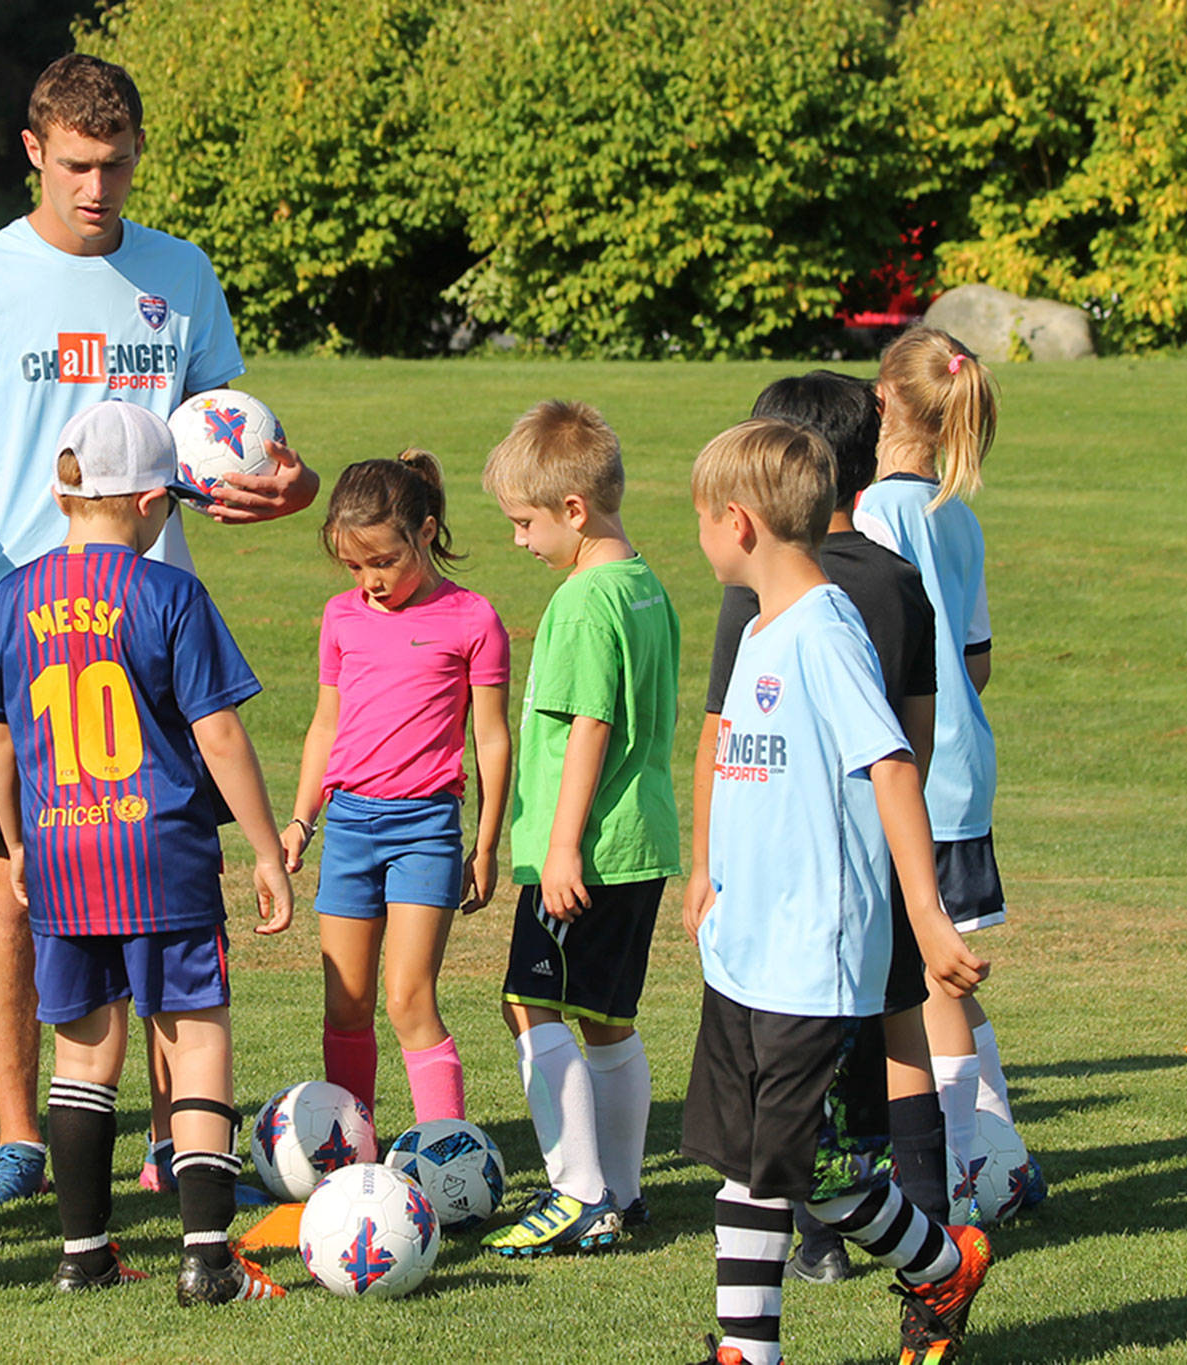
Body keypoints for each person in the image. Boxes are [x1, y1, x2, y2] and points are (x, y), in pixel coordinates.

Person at [0, 52, 318, 1212]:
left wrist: (291, 483)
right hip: (20, 625)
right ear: (34, 150)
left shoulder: (178, 273)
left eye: (114, 165)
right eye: (75, 165)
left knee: (174, 879)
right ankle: (22, 1138)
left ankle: (176, 1143)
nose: (95, 187)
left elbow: (236, 432)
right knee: (10, 884)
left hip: (154, 621)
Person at [0, 401, 293, 1302]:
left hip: (65, 852)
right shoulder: (169, 593)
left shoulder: (9, 597)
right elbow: (218, 733)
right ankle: (209, 1258)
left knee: (83, 1058)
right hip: (163, 855)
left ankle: (83, 1254)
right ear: (150, 501)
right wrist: (266, 846)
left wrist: (22, 839)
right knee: (195, 1044)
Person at [682, 418, 993, 1365]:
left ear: (738, 522)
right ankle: (940, 1263)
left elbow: (893, 765)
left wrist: (930, 921)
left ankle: (753, 1347)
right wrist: (712, 880)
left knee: (785, 1171)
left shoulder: (824, 630)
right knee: (775, 1165)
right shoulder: (765, 627)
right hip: (748, 943)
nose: (698, 535)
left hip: (813, 954)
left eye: (700, 517)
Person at [477, 401, 679, 1256]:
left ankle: (578, 1191)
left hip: (587, 850)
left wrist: (559, 847)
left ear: (573, 510)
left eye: (524, 522)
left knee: (529, 1001)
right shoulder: (644, 584)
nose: (520, 541)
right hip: (641, 843)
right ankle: (624, 1194)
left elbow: (590, 723)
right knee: (605, 1016)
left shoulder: (583, 602)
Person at [853, 328, 1040, 1211]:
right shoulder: (955, 512)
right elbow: (978, 658)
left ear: (883, 397)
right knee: (951, 967)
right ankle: (1003, 1152)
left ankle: (963, 1167)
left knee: (928, 973)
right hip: (965, 764)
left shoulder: (875, 513)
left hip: (915, 771)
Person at [280, 452, 510, 1128]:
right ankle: (353, 1149)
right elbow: (327, 723)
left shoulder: (474, 619)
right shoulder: (340, 617)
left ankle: (446, 1149)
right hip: (349, 825)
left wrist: (488, 842)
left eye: (383, 561)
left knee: (409, 998)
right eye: (355, 566)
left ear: (427, 532)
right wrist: (302, 818)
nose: (370, 581)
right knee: (345, 1005)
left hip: (426, 831)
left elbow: (492, 738)